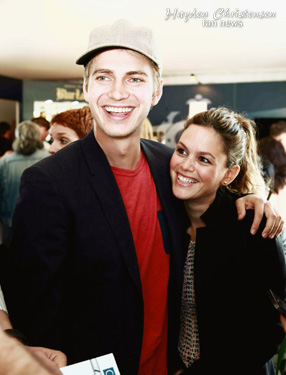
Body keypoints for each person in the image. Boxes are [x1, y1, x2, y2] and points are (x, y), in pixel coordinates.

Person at [2, 20, 283, 375]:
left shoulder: (170, 165)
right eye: (104, 77)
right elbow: (33, 306)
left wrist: (249, 199)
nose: (118, 93)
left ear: (157, 91)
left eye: (135, 78)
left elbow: (210, 208)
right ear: (86, 88)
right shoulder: (48, 181)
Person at [170, 107, 286, 375]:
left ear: (229, 174)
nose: (186, 165)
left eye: (205, 160)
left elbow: (268, 330)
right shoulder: (166, 216)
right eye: (182, 151)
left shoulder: (252, 224)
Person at [0, 121, 49, 245]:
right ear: (37, 135)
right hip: (44, 221)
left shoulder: (5, 162)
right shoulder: (49, 158)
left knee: (11, 260)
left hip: (11, 221)